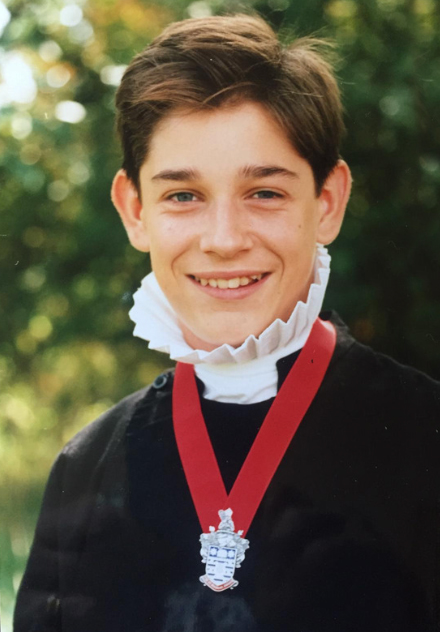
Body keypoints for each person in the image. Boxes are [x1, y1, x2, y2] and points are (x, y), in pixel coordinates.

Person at [14, 13, 440, 632]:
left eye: (264, 192)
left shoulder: (427, 440)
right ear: (135, 211)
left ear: (327, 202)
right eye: (183, 196)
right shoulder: (85, 470)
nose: (223, 240)